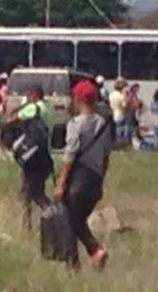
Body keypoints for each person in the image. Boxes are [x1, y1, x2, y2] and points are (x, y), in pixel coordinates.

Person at [54, 80, 112, 269]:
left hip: (77, 181)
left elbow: (70, 155)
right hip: (95, 180)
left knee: (70, 221)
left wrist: (60, 183)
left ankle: (87, 255)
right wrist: (101, 182)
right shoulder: (103, 125)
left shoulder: (75, 124)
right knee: (78, 221)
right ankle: (86, 257)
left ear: (78, 99)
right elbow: (105, 156)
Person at [16, 85, 53, 229]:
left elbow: (13, 117)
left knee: (26, 191)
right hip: (45, 155)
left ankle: (26, 223)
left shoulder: (33, 108)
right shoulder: (48, 109)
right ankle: (49, 217)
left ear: (33, 95)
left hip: (31, 156)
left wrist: (25, 104)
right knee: (38, 190)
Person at [109, 78, 128, 145]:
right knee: (120, 130)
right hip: (120, 114)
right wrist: (125, 96)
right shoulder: (120, 96)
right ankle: (120, 144)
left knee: (115, 129)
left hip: (113, 113)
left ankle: (116, 143)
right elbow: (124, 105)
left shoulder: (111, 95)